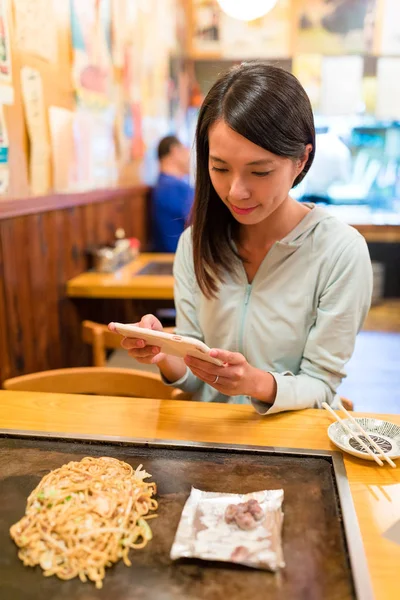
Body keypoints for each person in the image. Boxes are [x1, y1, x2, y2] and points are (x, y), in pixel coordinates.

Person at [111, 62, 372, 415]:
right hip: (210, 444)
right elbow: (195, 375)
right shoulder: (194, 244)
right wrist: (164, 355)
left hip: (293, 448)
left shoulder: (340, 252)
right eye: (219, 168)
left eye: (259, 171)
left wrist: (254, 382)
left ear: (301, 160)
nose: (236, 192)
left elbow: (321, 385)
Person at [151, 135, 194, 253]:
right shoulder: (175, 188)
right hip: (178, 258)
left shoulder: (163, 184)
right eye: (186, 150)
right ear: (175, 151)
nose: (189, 157)